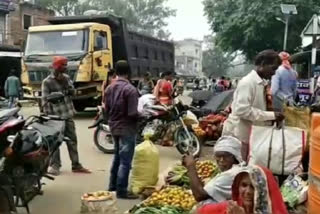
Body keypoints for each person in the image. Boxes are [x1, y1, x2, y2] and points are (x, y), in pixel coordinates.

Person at [222, 50, 285, 161]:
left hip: (251, 135)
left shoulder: (262, 83)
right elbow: (242, 111)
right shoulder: (248, 83)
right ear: (262, 64)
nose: (274, 73)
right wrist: (271, 115)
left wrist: (273, 116)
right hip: (240, 136)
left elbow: (258, 107)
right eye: (273, 68)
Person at [42, 56, 91, 176]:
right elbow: (45, 100)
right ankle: (55, 165)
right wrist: (48, 117)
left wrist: (70, 90)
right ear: (56, 66)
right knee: (55, 143)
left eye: (66, 65)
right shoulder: (47, 82)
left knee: (72, 141)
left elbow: (73, 92)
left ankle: (76, 165)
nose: (65, 67)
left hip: (68, 115)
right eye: (63, 65)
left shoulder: (67, 78)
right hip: (55, 117)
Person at [104, 60, 139, 199]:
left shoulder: (109, 88)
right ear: (128, 73)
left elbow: (106, 110)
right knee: (125, 160)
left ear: (116, 72)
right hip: (127, 128)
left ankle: (112, 185)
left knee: (117, 157)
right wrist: (142, 114)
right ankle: (122, 190)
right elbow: (132, 113)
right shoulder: (130, 89)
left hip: (114, 127)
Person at [196, 165, 288, 214]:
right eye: (244, 185)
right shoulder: (232, 208)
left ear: (264, 191)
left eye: (253, 187)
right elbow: (200, 211)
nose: (248, 192)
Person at [182, 136, 243, 205]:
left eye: (225, 156)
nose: (221, 160)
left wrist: (191, 165)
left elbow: (199, 195)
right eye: (218, 156)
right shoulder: (231, 171)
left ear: (235, 156)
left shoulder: (231, 174)